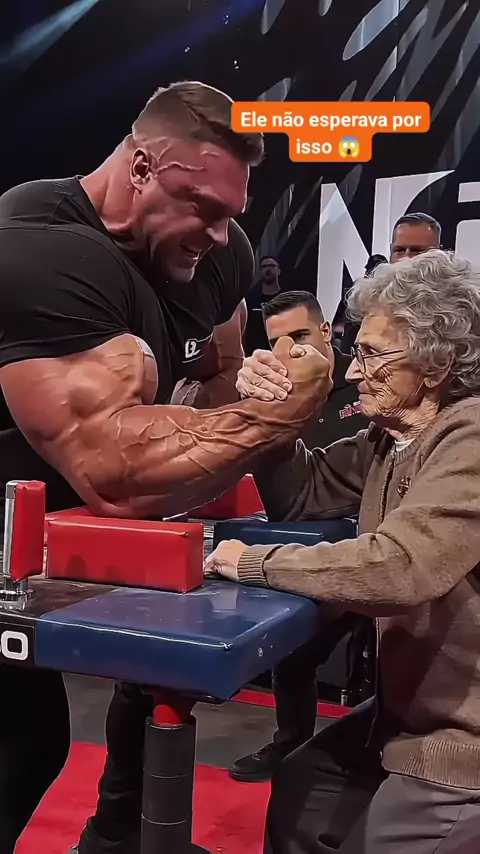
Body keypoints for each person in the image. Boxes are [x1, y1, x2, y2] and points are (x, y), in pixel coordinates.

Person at [0, 81, 331, 854]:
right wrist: (279, 414)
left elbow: (220, 375)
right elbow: (113, 473)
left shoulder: (219, 254)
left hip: (77, 519)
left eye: (230, 212)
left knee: (156, 677)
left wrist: (254, 386)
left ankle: (116, 837)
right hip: (21, 509)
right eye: (202, 207)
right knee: (24, 744)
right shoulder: (39, 247)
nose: (219, 233)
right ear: (142, 166)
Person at [206, 249, 480, 853]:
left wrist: (252, 562)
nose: (354, 373)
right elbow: (300, 495)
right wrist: (272, 412)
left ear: (436, 363)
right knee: (301, 790)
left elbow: (401, 566)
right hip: (402, 716)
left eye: (373, 355)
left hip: (464, 744)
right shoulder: (389, 439)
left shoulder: (472, 435)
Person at [229, 290, 370, 783]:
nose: (291, 350)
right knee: (293, 658)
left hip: (383, 568)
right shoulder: (368, 440)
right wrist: (266, 411)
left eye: (300, 335)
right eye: (278, 343)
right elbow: (300, 496)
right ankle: (291, 747)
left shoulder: (372, 395)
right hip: (329, 558)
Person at [341, 212, 441, 353]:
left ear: (438, 253)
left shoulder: (458, 305)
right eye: (399, 250)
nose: (406, 258)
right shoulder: (368, 302)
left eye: (417, 251)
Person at [244, 255, 285, 354]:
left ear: (278, 270)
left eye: (271, 266)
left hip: (280, 351)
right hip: (255, 352)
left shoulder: (286, 299)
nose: (268, 269)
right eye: (264, 266)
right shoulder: (251, 299)